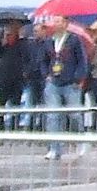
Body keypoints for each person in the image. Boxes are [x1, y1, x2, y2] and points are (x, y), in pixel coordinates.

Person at [36, 15, 91, 159]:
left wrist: (78, 78)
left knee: (74, 115)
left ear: (66, 24)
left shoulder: (74, 40)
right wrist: (46, 75)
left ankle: (80, 141)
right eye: (55, 21)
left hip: (70, 83)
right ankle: (54, 148)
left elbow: (82, 60)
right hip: (53, 82)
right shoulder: (49, 41)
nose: (56, 24)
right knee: (53, 116)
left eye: (59, 21)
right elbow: (43, 60)